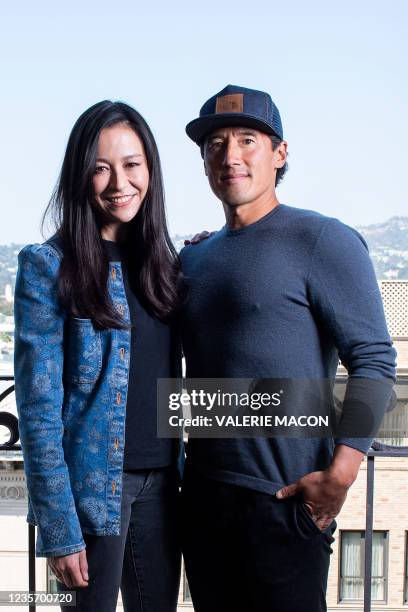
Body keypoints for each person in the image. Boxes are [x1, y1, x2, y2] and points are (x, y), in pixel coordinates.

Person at [179, 84, 397, 612]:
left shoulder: (323, 239)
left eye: (247, 140)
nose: (230, 156)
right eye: (216, 144)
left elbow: (374, 359)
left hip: (284, 502)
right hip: (203, 496)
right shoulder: (195, 257)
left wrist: (340, 476)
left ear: (279, 154)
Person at [14, 100, 182, 612]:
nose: (118, 182)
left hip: (164, 486)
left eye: (131, 165)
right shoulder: (48, 267)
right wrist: (59, 530)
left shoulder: (165, 266)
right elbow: (38, 411)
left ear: (149, 169)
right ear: (79, 176)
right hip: (92, 495)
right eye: (101, 168)